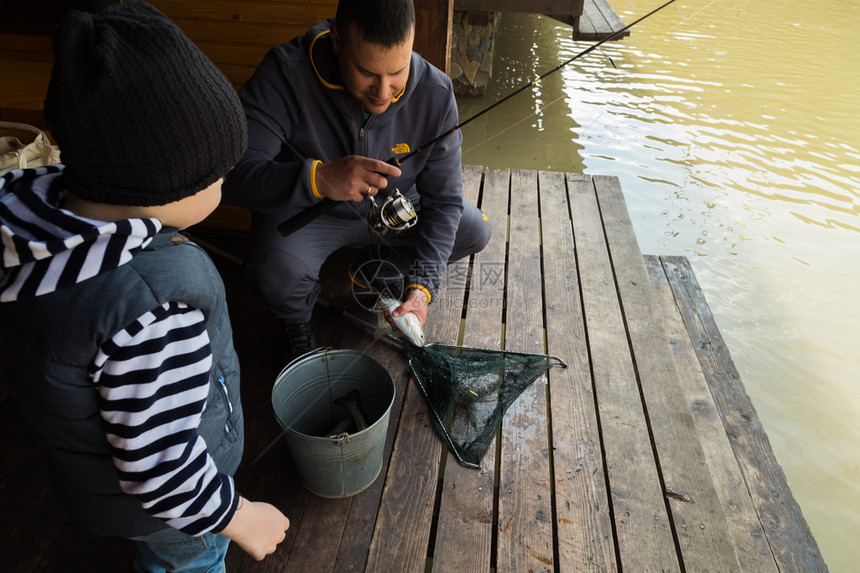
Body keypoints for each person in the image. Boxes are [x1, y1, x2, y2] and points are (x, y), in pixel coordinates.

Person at [0, 2, 289, 570]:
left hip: (87, 477)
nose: (226, 184)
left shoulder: (34, 223)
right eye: (219, 174)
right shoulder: (152, 310)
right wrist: (243, 518)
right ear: (162, 182)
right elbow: (162, 468)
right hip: (175, 513)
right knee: (189, 560)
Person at [223, 0, 491, 360]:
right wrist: (317, 179)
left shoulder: (436, 92)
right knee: (274, 274)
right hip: (308, 213)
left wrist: (422, 289)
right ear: (336, 39)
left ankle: (376, 265)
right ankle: (297, 322)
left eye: (397, 72)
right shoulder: (284, 73)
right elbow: (232, 176)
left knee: (474, 230)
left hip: (395, 212)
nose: (383, 92)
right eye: (367, 72)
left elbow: (444, 201)